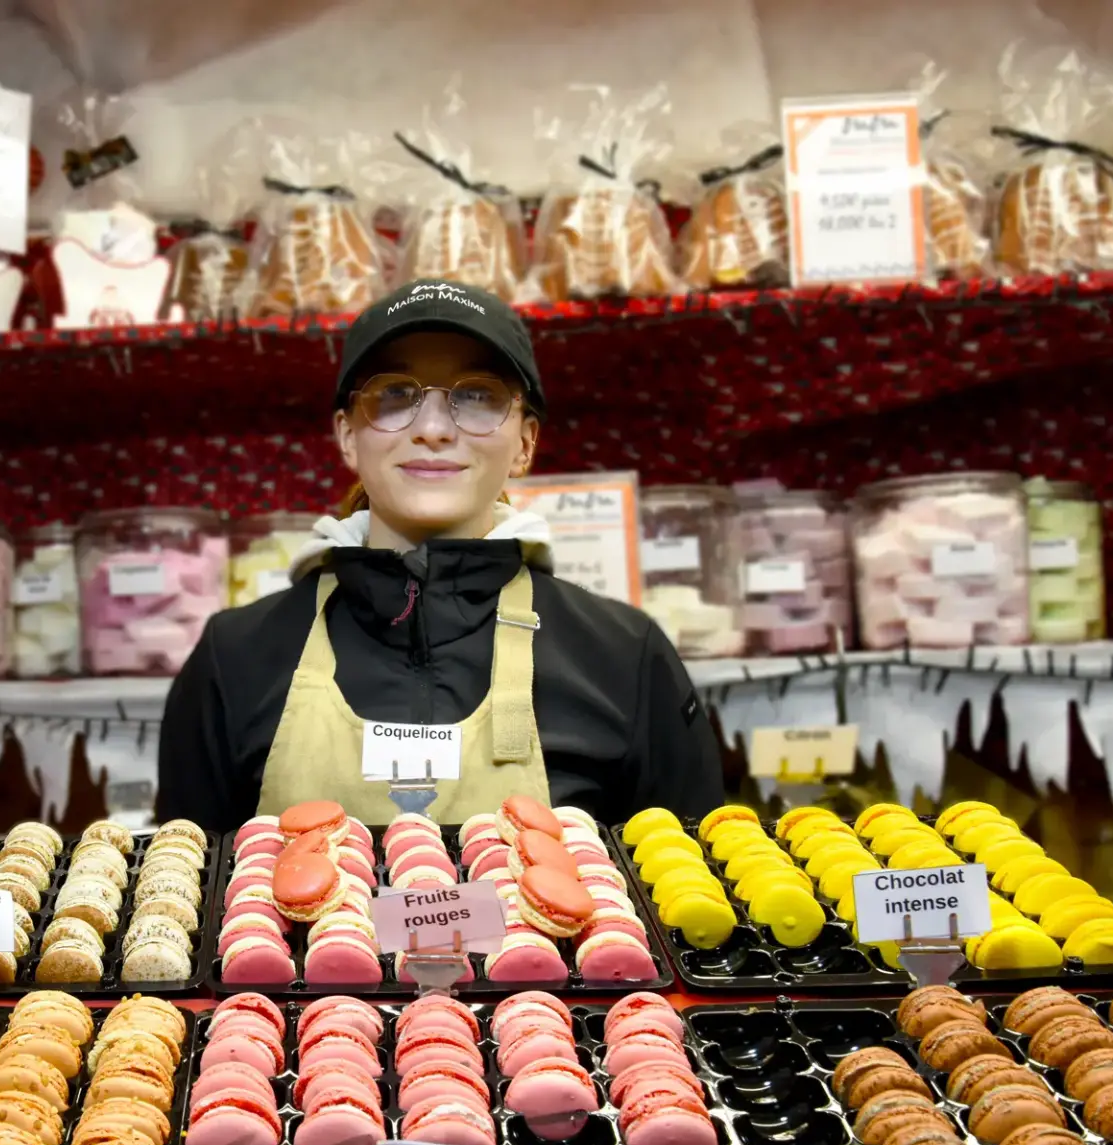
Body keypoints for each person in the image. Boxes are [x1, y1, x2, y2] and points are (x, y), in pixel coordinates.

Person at [156, 277, 724, 831]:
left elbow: (682, 900)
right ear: (349, 436)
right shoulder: (233, 661)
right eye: (395, 395)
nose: (432, 428)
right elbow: (185, 902)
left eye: (476, 397)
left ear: (525, 443)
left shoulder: (624, 659)